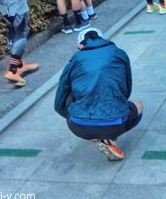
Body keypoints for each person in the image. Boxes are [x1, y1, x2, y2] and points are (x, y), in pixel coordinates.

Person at [54, 28, 143, 161]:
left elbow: (60, 99)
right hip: (116, 124)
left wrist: (70, 116)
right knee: (138, 104)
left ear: (80, 45)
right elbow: (126, 90)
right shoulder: (119, 53)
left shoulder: (76, 59)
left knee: (70, 92)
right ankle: (108, 136)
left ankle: (99, 133)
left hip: (78, 125)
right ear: (103, 39)